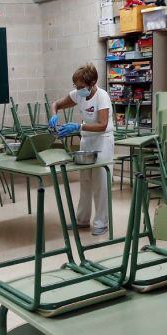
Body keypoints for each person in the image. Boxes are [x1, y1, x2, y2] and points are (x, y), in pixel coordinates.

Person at [48, 63, 113, 236]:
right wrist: (54, 114)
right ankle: (82, 220)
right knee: (85, 182)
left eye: (81, 87)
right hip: (87, 141)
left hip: (102, 141)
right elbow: (56, 104)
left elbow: (102, 124)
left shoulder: (102, 97)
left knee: (101, 183)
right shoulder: (79, 94)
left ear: (92, 83)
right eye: (76, 87)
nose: (78, 90)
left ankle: (101, 223)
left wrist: (78, 127)